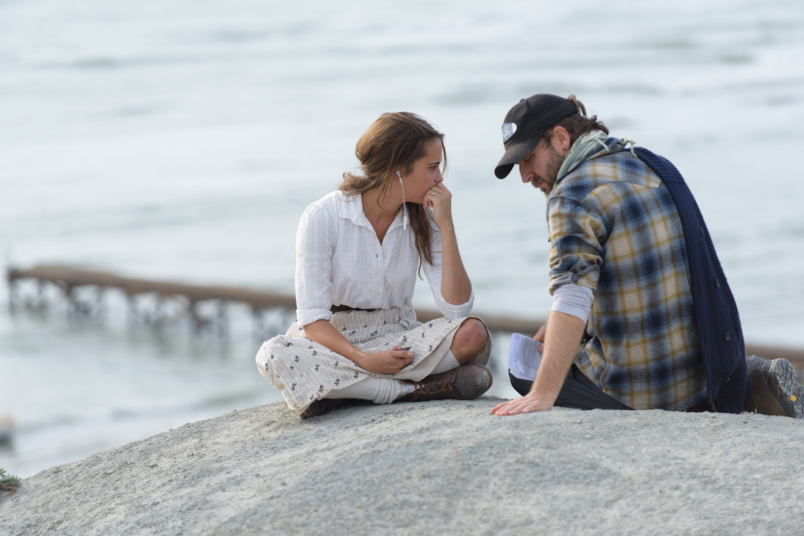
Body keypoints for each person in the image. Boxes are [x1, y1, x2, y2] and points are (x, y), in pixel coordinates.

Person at [489, 93, 804, 419]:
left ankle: (745, 382)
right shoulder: (649, 162)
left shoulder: (571, 194)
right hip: (705, 375)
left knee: (524, 369)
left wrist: (542, 393)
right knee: (573, 340)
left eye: (528, 159)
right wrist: (564, 331)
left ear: (561, 138)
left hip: (643, 391)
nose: (525, 175)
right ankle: (751, 377)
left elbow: (571, 297)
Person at [257, 112, 492, 419]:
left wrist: (446, 226)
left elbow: (456, 310)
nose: (440, 178)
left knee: (473, 334)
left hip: (399, 336)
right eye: (432, 167)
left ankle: (342, 392)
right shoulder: (323, 216)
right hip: (336, 342)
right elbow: (313, 320)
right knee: (273, 354)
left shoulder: (427, 216)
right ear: (398, 169)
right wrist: (364, 360)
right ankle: (414, 391)